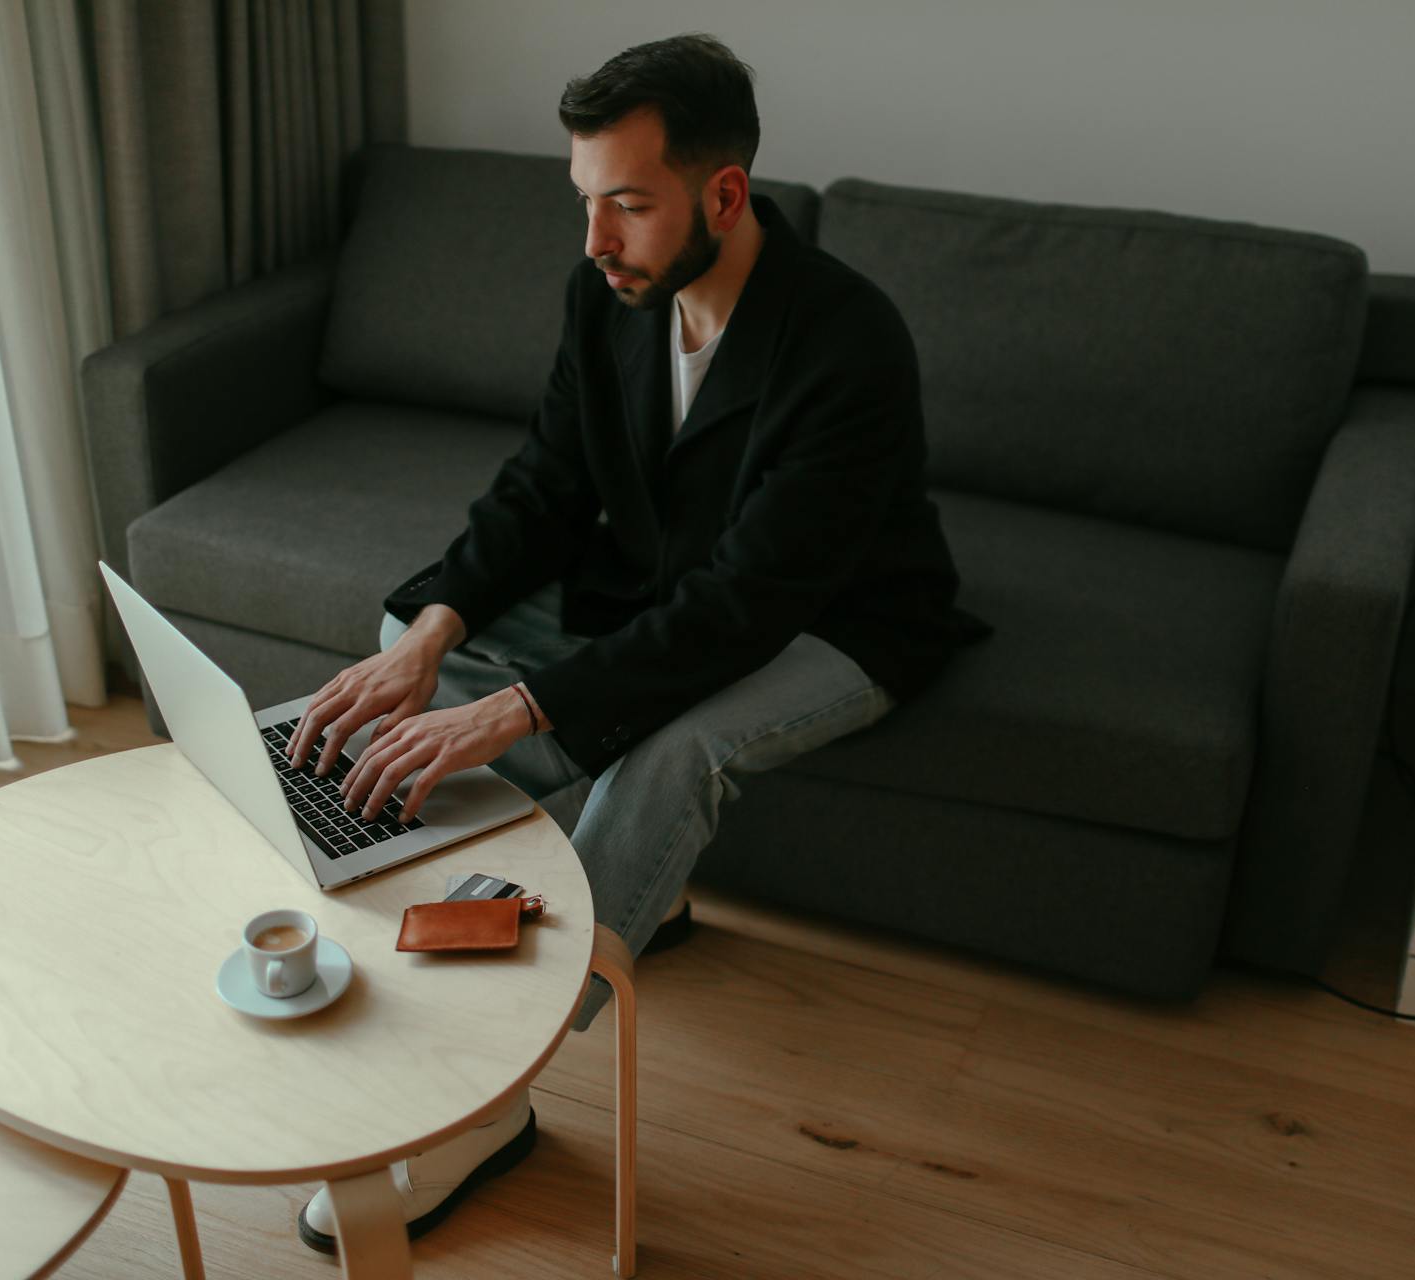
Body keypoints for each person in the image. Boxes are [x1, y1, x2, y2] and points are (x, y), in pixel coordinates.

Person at [286, 32, 980, 1257]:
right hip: (669, 585)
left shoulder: (847, 343)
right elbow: (546, 485)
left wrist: (519, 710)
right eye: (584, 201)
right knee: (406, 629)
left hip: (842, 616)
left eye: (627, 205)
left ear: (723, 193)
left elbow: (743, 610)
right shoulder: (608, 296)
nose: (595, 240)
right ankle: (462, 915)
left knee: (674, 750)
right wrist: (438, 628)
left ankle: (488, 1099)